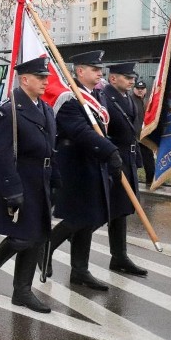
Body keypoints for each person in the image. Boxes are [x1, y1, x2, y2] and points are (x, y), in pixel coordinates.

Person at [0, 57, 59, 313]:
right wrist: (11, 189)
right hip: (21, 180)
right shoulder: (7, 110)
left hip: (41, 181)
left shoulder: (45, 108)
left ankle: (22, 291)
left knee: (36, 238)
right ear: (25, 80)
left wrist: (56, 180)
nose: (46, 82)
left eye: (46, 77)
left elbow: (50, 148)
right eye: (41, 77)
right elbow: (1, 154)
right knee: (23, 237)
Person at [43, 50, 121, 291]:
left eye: (100, 70)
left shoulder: (97, 96)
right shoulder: (70, 99)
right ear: (79, 71)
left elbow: (101, 129)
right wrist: (109, 150)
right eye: (94, 69)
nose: (100, 73)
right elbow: (79, 131)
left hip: (93, 163)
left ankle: (79, 270)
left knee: (89, 218)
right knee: (79, 217)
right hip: (74, 165)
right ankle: (45, 249)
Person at [102, 62, 148, 277]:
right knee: (99, 211)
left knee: (122, 211)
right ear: (113, 78)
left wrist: (135, 159)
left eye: (132, 77)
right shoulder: (105, 97)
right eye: (126, 77)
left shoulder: (128, 98)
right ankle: (53, 243)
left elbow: (132, 131)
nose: (131, 81)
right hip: (113, 159)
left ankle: (119, 256)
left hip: (127, 158)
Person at [132, 80, 155, 187]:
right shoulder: (131, 101)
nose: (140, 91)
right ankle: (132, 182)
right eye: (138, 89)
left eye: (142, 89)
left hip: (145, 136)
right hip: (135, 137)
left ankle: (151, 180)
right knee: (133, 162)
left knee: (149, 160)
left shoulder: (147, 101)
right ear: (134, 89)